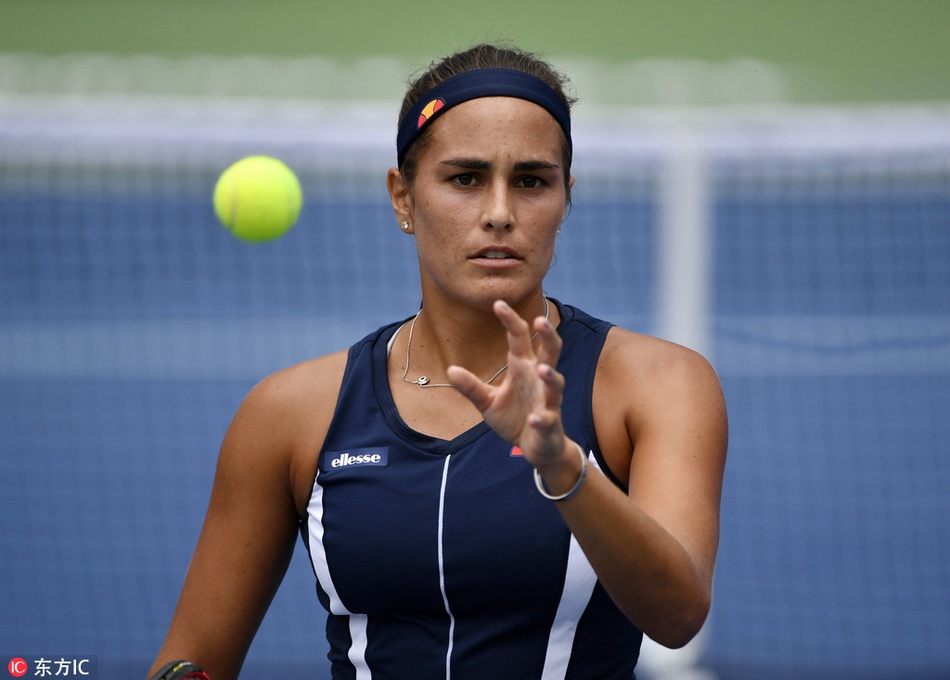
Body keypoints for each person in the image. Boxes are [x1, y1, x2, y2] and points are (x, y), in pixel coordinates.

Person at [148, 43, 727, 680]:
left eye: (531, 181)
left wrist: (564, 468)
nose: (500, 214)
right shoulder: (288, 415)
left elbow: (677, 616)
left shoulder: (658, 385)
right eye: (466, 179)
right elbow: (189, 662)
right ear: (403, 197)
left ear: (566, 197)